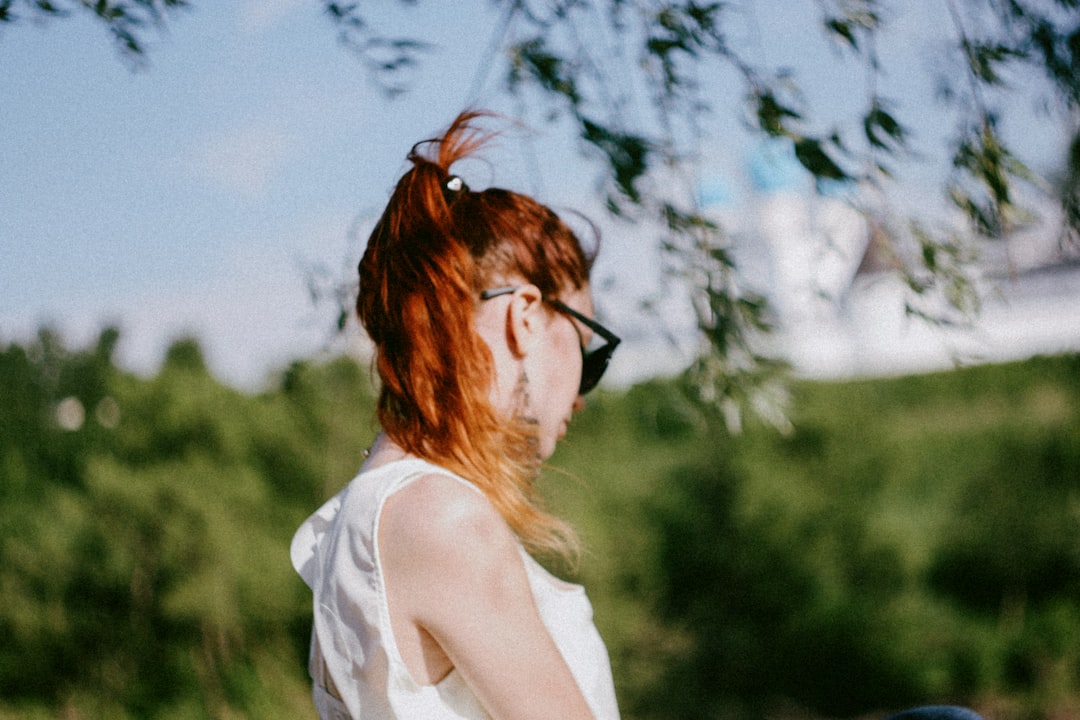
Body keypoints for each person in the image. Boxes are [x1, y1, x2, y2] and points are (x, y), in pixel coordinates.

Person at [291, 110, 622, 719]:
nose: (581, 393)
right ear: (525, 315)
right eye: (588, 350)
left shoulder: (376, 507)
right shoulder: (440, 516)